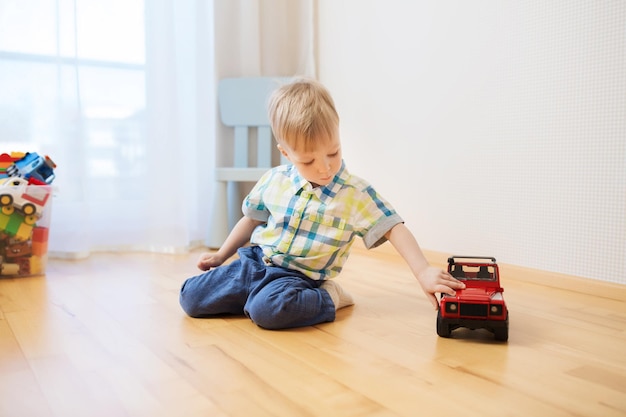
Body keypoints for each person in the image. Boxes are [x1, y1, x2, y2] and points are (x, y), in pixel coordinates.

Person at [180, 78, 465, 330]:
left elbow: (394, 228)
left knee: (268, 311)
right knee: (189, 297)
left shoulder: (354, 193)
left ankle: (329, 297)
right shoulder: (275, 179)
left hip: (298, 279)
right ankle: (250, 294)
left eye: (333, 152)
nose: (324, 168)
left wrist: (424, 271)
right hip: (254, 262)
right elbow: (250, 220)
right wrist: (221, 257)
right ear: (286, 154)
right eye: (308, 160)